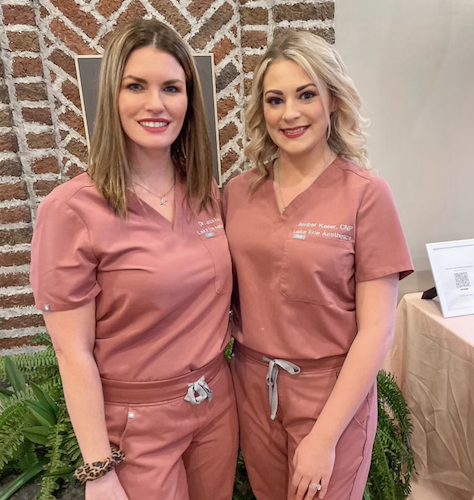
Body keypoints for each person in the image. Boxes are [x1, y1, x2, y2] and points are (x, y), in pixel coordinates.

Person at [30, 19, 238, 500]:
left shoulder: (204, 191)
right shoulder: (71, 211)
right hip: (135, 424)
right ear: (112, 96)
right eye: (136, 86)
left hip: (214, 404)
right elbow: (72, 352)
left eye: (171, 88)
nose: (156, 104)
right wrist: (98, 470)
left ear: (189, 100)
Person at [223, 31, 413, 500]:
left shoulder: (365, 195)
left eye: (306, 95)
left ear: (332, 99)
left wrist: (324, 438)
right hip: (254, 388)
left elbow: (377, 331)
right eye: (275, 99)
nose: (289, 113)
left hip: (331, 395)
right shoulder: (238, 193)